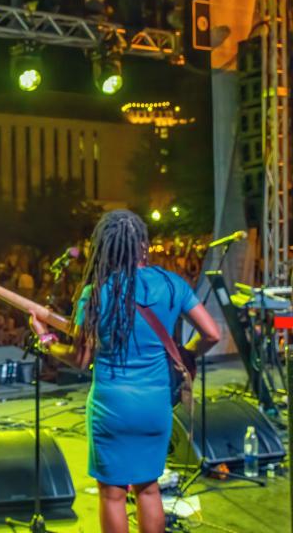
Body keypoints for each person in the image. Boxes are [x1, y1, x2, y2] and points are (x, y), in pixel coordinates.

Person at [30, 210, 220, 533]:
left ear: (105, 248)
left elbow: (79, 358)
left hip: (111, 409)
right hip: (155, 407)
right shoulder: (171, 284)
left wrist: (45, 340)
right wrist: (187, 352)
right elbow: (212, 333)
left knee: (113, 495)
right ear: (143, 245)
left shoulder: (95, 294)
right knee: (149, 488)